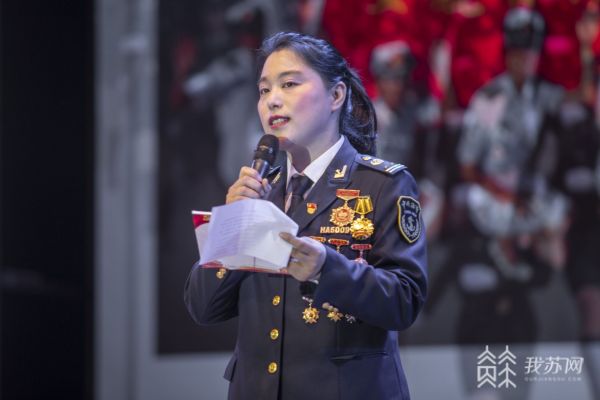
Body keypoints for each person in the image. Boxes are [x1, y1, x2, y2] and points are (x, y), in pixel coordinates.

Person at [184, 32, 428, 400]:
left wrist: (326, 268)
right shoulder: (259, 191)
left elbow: (405, 301)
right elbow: (202, 307)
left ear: (336, 96)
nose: (272, 100)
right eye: (264, 90)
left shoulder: (382, 184)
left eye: (289, 84)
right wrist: (232, 223)